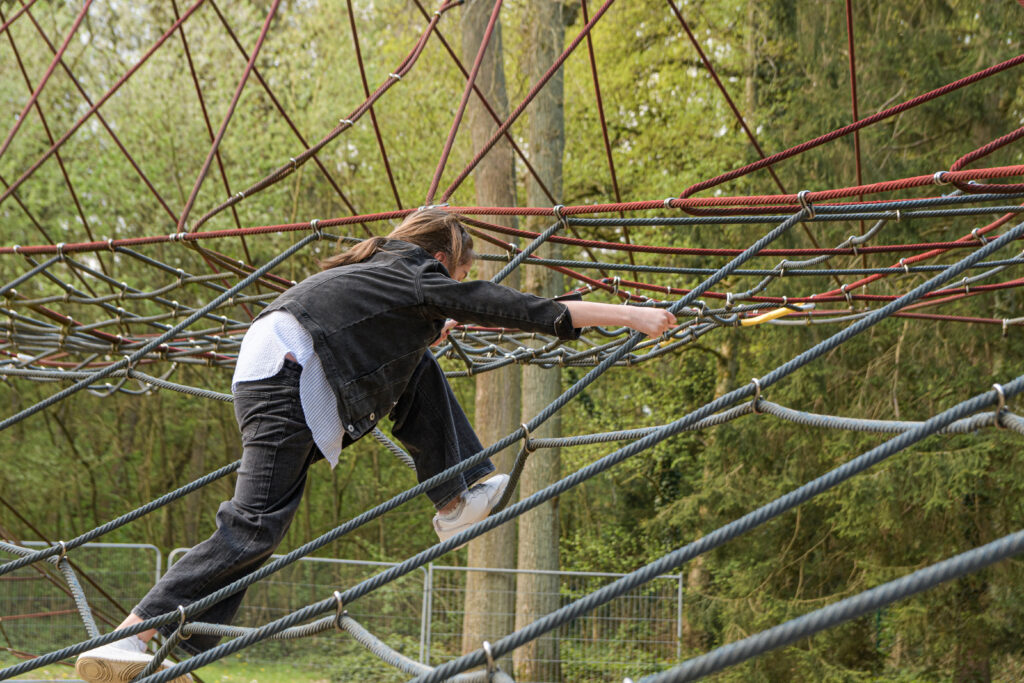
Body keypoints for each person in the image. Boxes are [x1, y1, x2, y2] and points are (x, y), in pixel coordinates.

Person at [74, 209, 676, 682]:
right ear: (443, 258)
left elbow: (378, 338)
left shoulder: (376, 273)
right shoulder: (417, 273)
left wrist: (421, 329)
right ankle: (132, 633)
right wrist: (632, 316)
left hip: (286, 366)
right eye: (454, 274)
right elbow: (518, 309)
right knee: (253, 525)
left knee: (269, 523)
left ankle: (453, 496)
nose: (451, 287)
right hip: (289, 373)